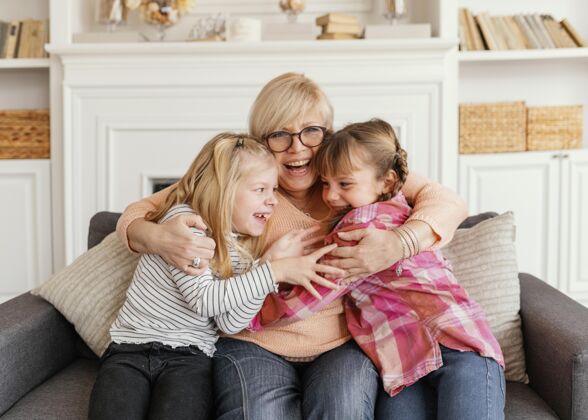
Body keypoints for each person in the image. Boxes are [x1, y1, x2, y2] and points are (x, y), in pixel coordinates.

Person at [115, 73, 470, 419]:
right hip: (253, 341)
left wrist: (399, 243)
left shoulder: (350, 181)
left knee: (343, 408)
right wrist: (158, 238)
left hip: (338, 345)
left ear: (328, 135)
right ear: (259, 142)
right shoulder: (244, 186)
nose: (297, 147)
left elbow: (446, 201)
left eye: (311, 132)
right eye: (279, 134)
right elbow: (137, 212)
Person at [250, 118, 506, 420]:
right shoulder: (392, 200)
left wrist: (249, 311)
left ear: (385, 182)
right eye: (326, 183)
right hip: (407, 365)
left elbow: (312, 293)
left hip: (459, 346)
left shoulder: (359, 228)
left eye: (344, 184)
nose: (331, 195)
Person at [88, 132, 341, 420]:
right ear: (224, 190)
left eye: (274, 190)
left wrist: (265, 266)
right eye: (261, 190)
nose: (272, 201)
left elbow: (230, 321)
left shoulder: (240, 249)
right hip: (130, 351)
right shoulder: (185, 225)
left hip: (191, 359)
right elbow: (205, 301)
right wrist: (275, 271)